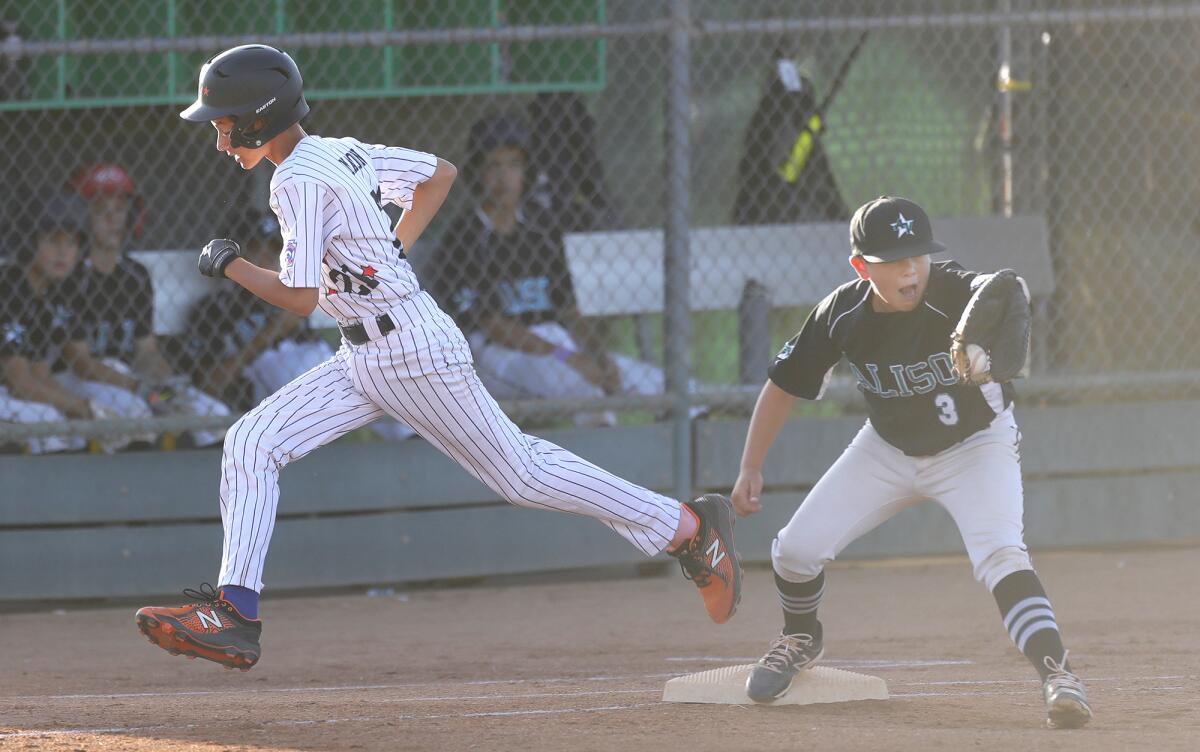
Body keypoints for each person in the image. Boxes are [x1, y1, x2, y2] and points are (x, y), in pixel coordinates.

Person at [134, 45, 742, 671]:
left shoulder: (296, 179)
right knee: (252, 442)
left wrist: (232, 264)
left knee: (522, 475)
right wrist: (388, 250)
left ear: (260, 117)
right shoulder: (337, 149)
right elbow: (440, 174)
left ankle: (689, 528)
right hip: (366, 353)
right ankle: (236, 614)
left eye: (226, 123)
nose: (220, 139)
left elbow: (299, 298)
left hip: (411, 354)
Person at [732, 196, 1091, 730]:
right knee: (794, 550)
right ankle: (801, 636)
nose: (910, 269)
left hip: (976, 445)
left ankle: (1059, 675)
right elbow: (783, 386)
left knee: (1001, 554)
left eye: (918, 255)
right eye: (893, 259)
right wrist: (750, 467)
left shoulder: (951, 290)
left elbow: (1001, 289)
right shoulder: (841, 314)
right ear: (860, 267)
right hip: (889, 448)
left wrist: (1000, 319)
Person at [429, 114, 696, 427]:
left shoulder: (540, 229)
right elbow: (493, 326)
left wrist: (597, 355)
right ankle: (600, 472)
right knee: (586, 389)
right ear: (476, 172)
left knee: (677, 389)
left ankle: (685, 468)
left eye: (514, 165)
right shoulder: (466, 235)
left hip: (555, 345)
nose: (504, 178)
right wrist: (570, 359)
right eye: (493, 166)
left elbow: (568, 309)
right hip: (496, 353)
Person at [185, 209, 414, 441]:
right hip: (266, 381)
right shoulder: (215, 310)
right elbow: (206, 386)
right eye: (256, 248)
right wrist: (268, 335)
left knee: (394, 394)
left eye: (274, 248)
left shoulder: (295, 292)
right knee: (282, 362)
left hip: (327, 365)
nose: (267, 258)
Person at [55, 162, 231, 448]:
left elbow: (146, 351)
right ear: (81, 217)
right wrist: (138, 388)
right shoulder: (69, 277)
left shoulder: (134, 276)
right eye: (102, 211)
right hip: (80, 380)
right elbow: (81, 364)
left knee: (208, 412)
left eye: (120, 210)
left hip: (132, 382)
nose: (115, 221)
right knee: (135, 412)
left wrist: (165, 382)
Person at [0, 193, 96, 454]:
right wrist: (81, 407)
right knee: (51, 420)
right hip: (6, 391)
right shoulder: (10, 288)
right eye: (53, 241)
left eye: (71, 243)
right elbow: (20, 384)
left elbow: (40, 375)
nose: (63, 252)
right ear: (28, 243)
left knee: (70, 423)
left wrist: (82, 405)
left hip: (7, 393)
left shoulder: (44, 294)